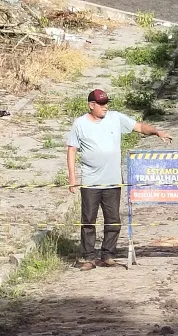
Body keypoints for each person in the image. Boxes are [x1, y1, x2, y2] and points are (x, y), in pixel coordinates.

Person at [66, 89, 172, 271]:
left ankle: (107, 254)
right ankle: (88, 257)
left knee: (113, 219)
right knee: (88, 220)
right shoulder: (80, 124)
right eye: (101, 104)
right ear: (91, 105)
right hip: (91, 181)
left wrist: (156, 132)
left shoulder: (115, 118)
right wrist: (72, 176)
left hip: (113, 181)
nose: (105, 107)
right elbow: (71, 150)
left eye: (107, 103)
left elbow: (139, 127)